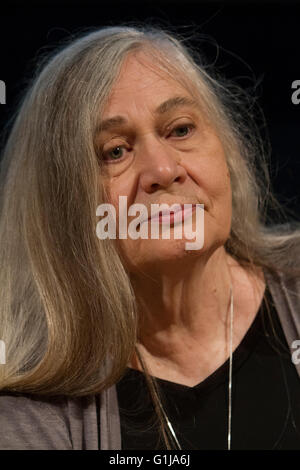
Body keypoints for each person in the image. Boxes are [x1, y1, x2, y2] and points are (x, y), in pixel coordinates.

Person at [0, 25, 300, 450]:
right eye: (115, 151)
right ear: (63, 205)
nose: (163, 170)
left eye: (180, 129)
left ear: (227, 152)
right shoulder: (27, 410)